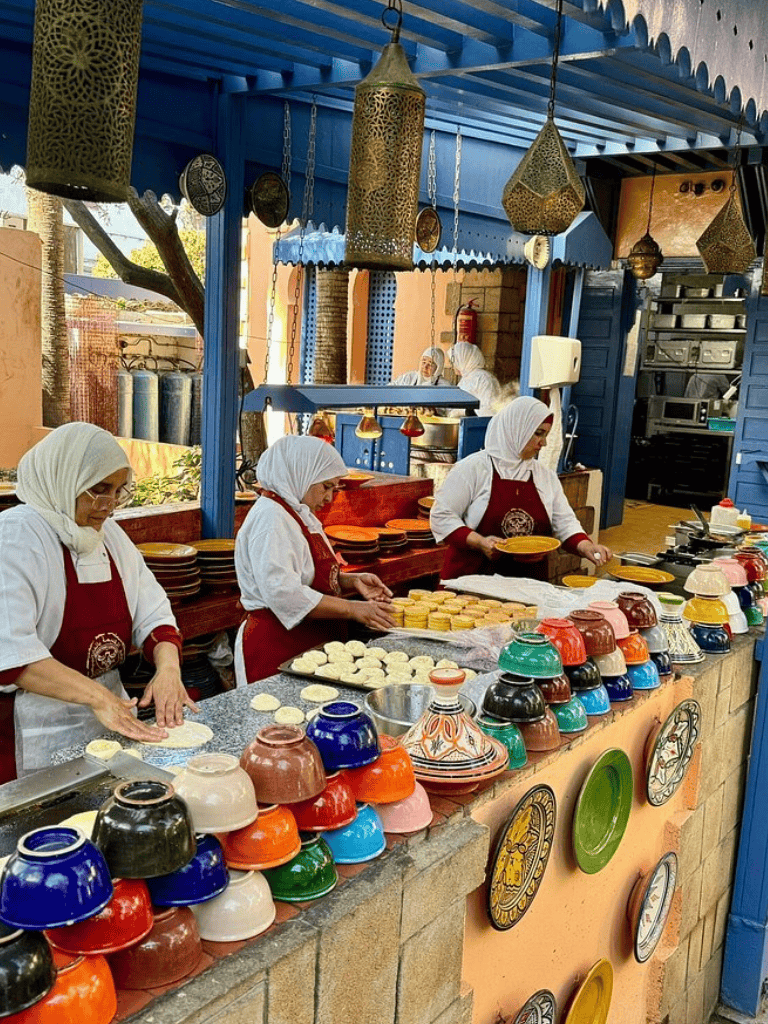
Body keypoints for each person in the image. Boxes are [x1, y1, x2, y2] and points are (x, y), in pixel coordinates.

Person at [0, 423, 194, 782]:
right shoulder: (15, 536)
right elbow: (11, 654)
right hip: (31, 730)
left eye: (118, 492)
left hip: (109, 721)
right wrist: (98, 698)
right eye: (98, 490)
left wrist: (168, 669)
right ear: (63, 478)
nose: (109, 506)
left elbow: (155, 614)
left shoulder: (109, 536)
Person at [235, 435, 395, 685]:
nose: (331, 497)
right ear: (302, 474)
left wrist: (351, 581)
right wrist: (353, 609)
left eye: (335, 488)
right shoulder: (271, 519)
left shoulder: (297, 512)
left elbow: (305, 575)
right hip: (276, 644)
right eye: (327, 486)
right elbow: (284, 593)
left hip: (307, 640)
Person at [430, 396, 612, 581]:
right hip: (472, 582)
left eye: (545, 435)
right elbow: (441, 516)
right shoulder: (473, 468)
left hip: (528, 584)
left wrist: (586, 546)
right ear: (516, 429)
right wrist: (480, 542)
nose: (543, 443)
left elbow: (565, 523)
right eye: (538, 433)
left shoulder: (545, 476)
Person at [448, 341, 503, 416]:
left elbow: (489, 410)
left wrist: (463, 412)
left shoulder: (484, 379)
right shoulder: (465, 379)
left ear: (463, 359)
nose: (453, 366)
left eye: (455, 361)